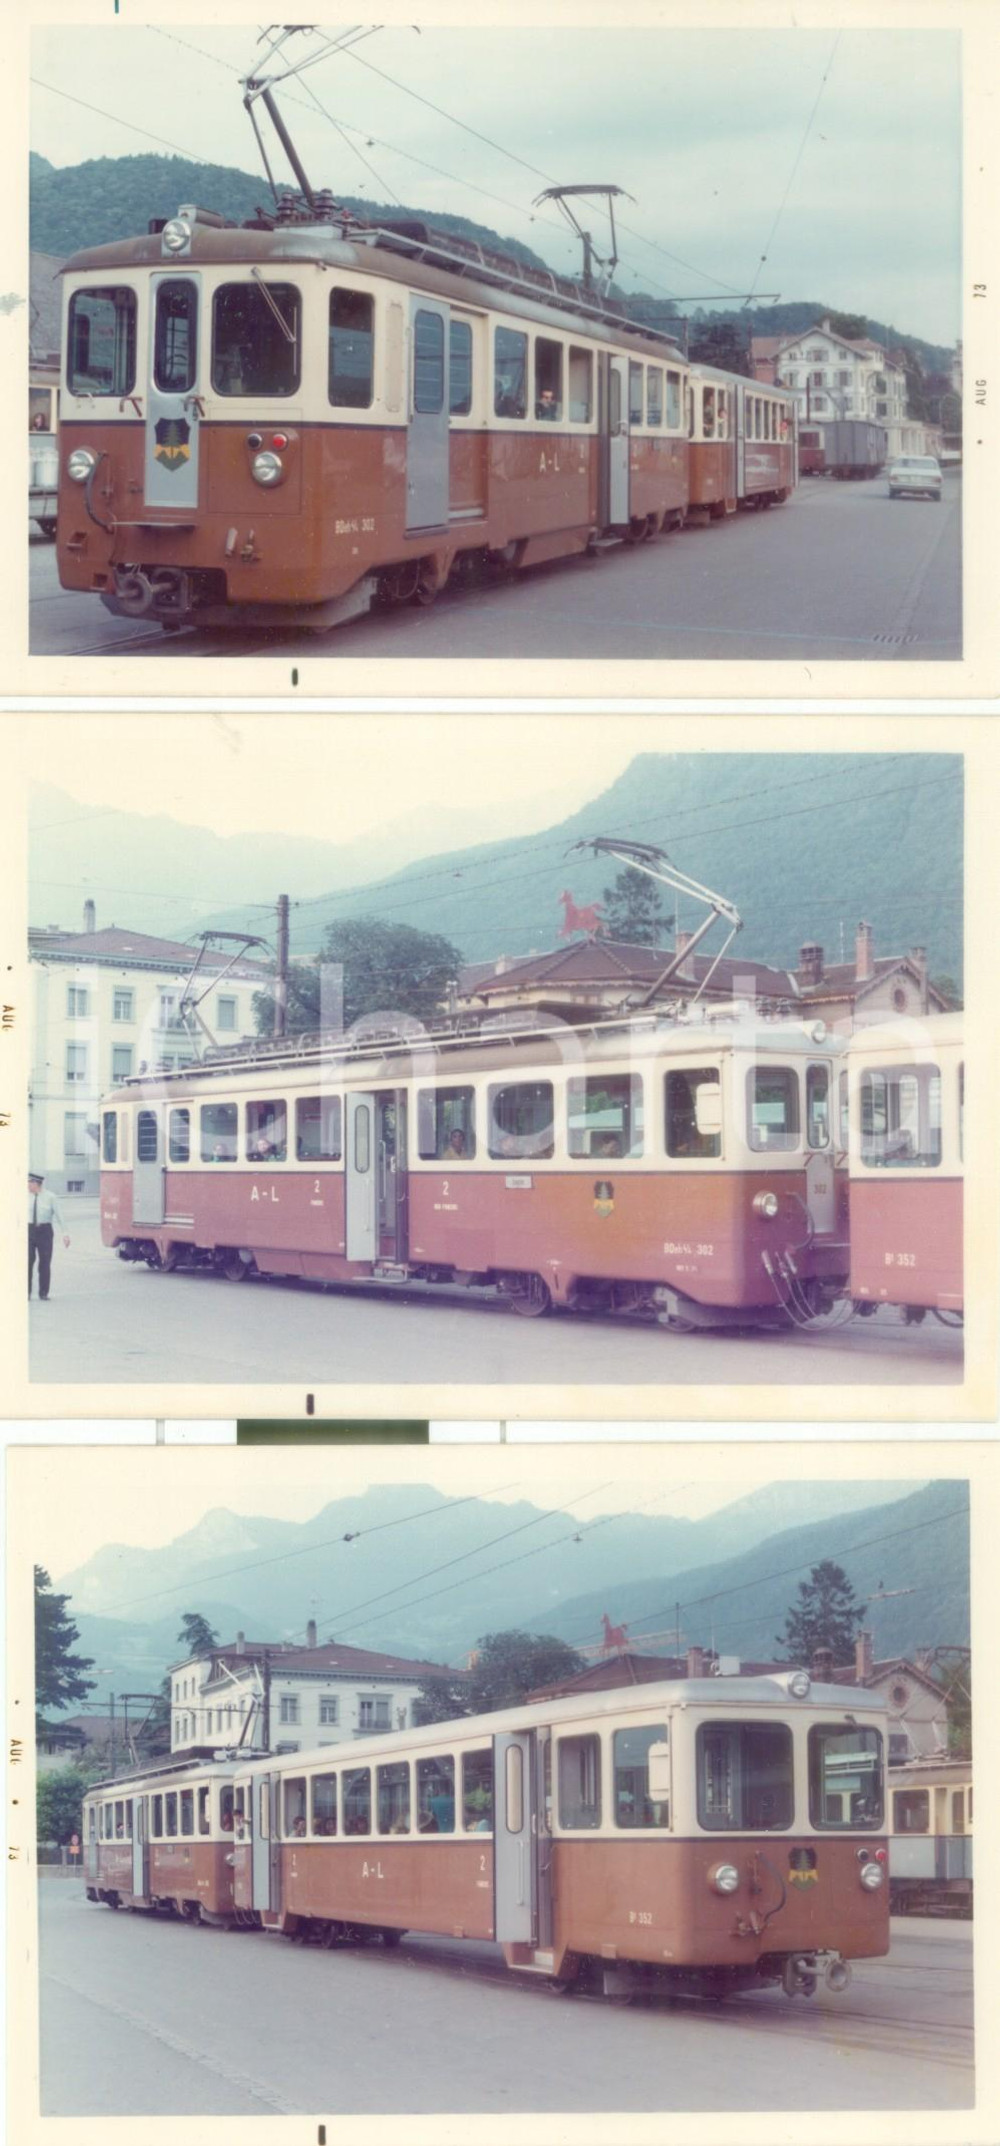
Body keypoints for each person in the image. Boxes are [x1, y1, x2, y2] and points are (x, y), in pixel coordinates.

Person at [28, 1173, 70, 1300]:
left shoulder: (51, 1197)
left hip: (45, 1231)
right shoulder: (24, 1196)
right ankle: (26, 1292)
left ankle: (43, 1293)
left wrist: (65, 1234)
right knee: (27, 1262)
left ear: (36, 1184)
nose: (27, 1186)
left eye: (29, 1183)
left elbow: (60, 1215)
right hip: (28, 1230)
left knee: (45, 1263)